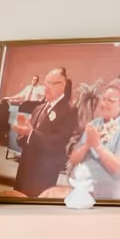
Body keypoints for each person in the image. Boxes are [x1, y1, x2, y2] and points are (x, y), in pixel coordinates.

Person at [65, 77, 120, 201]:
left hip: (107, 195)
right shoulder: (94, 124)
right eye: (103, 99)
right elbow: (73, 159)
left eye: (110, 100)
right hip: (83, 192)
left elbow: (118, 167)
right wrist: (87, 145)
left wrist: (97, 146)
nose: (104, 104)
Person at [14, 68, 76, 201]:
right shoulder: (38, 108)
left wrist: (31, 134)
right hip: (25, 170)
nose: (47, 87)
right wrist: (22, 134)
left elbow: (59, 142)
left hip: (43, 173)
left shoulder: (69, 110)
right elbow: (25, 138)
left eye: (52, 83)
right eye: (46, 83)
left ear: (63, 85)